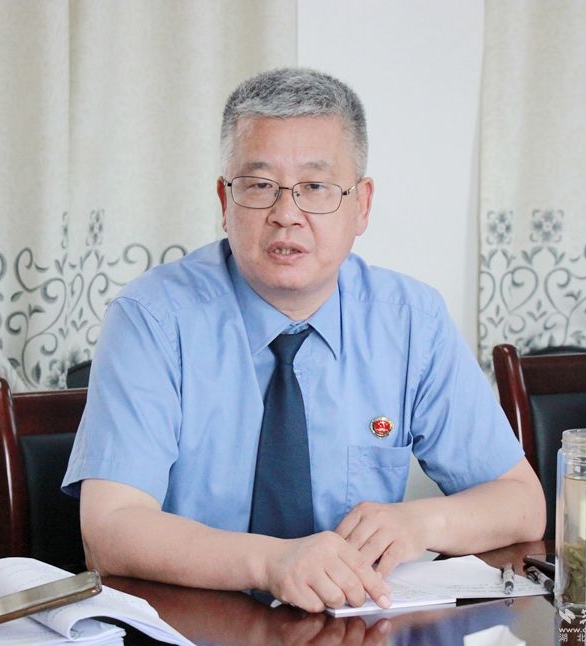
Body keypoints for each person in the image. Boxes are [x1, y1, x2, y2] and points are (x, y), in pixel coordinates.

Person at [62, 67, 545, 614]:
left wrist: (418, 522)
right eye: (259, 186)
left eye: (315, 187)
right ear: (224, 201)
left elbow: (522, 503)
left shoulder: (411, 321)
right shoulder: (151, 319)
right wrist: (270, 562)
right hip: (194, 627)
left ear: (362, 205)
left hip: (350, 628)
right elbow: (110, 529)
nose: (286, 215)